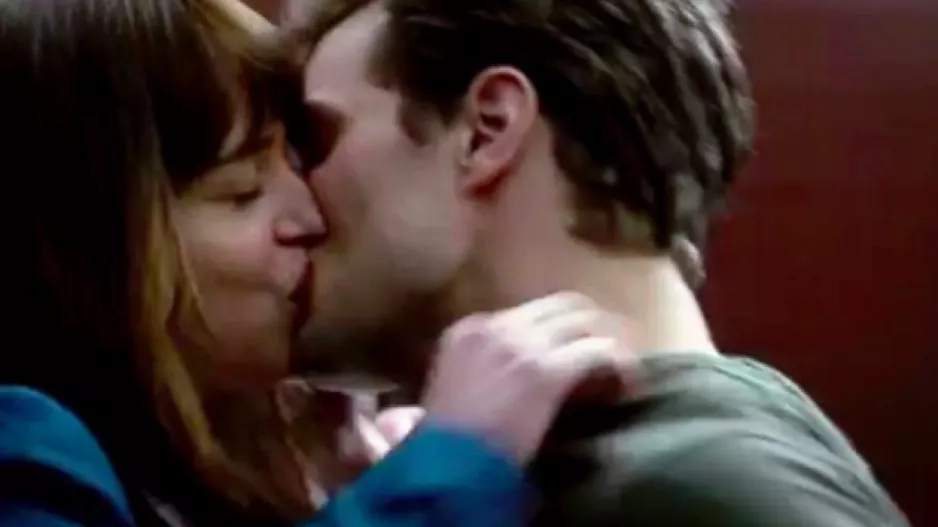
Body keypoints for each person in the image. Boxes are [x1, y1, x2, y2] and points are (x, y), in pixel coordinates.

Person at [0, 0, 633, 525]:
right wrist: (448, 468)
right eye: (243, 192)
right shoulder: (20, 445)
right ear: (84, 247)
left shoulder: (195, 468)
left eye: (298, 164)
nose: (309, 219)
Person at [286, 0, 910, 525]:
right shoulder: (593, 473)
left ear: (487, 130)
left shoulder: (710, 486)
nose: (288, 196)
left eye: (313, 142)